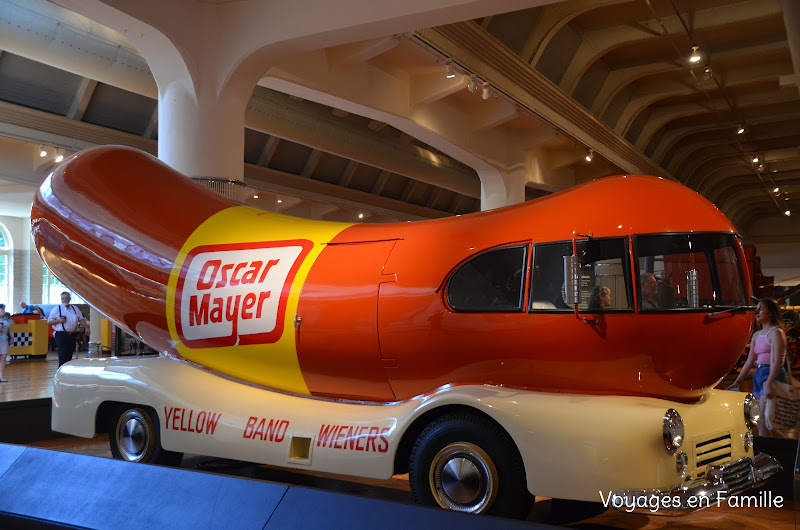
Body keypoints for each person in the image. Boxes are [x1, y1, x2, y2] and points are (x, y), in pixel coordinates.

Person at [728, 297, 788, 436]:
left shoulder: (776, 332)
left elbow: (777, 361)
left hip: (772, 374)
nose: (757, 311)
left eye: (761, 308)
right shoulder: (756, 335)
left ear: (771, 312)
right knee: (765, 422)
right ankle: (780, 452)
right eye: (756, 309)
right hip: (760, 373)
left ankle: (767, 453)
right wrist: (737, 381)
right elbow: (750, 361)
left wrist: (770, 382)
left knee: (763, 421)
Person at [47, 291, 90, 367]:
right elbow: (49, 321)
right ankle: (61, 371)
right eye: (63, 298)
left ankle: (66, 371)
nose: (64, 300)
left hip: (72, 334)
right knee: (63, 354)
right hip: (61, 334)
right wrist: (59, 320)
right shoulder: (57, 309)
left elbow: (81, 319)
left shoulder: (75, 308)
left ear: (69, 299)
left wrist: (86, 327)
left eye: (66, 298)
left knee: (69, 354)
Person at [0, 303, 10, 382]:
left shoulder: (5, 319)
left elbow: (8, 328)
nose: (4, 311)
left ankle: (1, 375)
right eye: (2, 309)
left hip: (4, 339)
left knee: (3, 356)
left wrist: (12, 336)